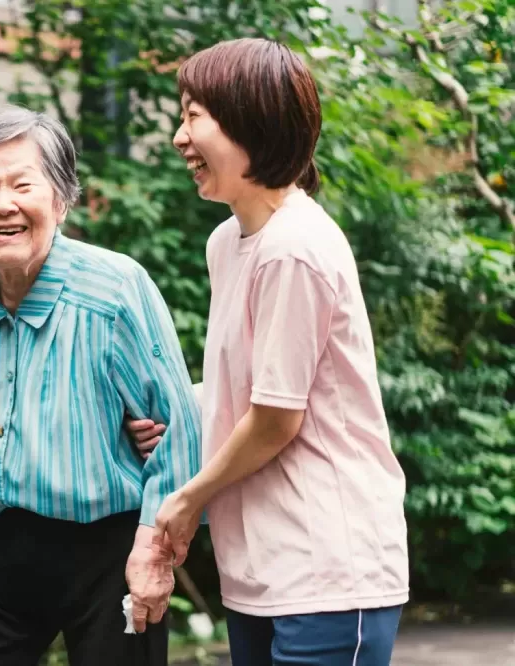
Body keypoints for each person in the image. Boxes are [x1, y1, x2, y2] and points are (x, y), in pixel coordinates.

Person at [127, 38, 410, 665]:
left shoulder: (295, 247)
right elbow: (248, 383)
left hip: (330, 565)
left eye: (195, 115)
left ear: (252, 120)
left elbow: (278, 418)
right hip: (258, 566)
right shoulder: (228, 243)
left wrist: (187, 495)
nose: (179, 137)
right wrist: (185, 413)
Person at [0, 106, 202, 666]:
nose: (2, 204)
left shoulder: (114, 289)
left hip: (103, 550)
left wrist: (153, 550)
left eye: (23, 185)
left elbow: (179, 431)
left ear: (62, 200)